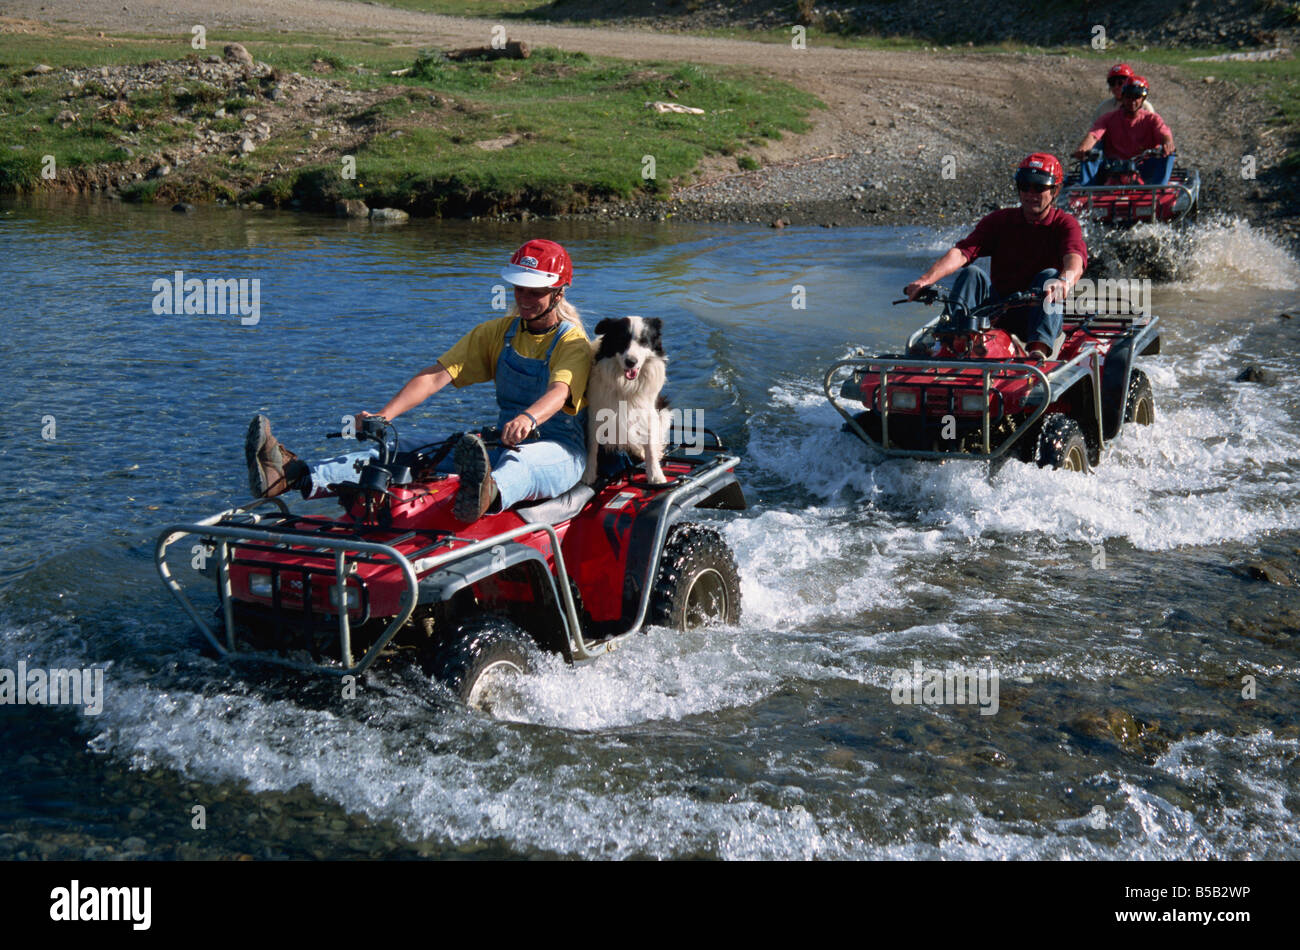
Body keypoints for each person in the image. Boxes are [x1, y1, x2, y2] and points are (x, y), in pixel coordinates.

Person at [245, 239, 592, 522]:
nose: (525, 299)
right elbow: (436, 376)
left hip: (559, 451)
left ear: (558, 292)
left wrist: (528, 418)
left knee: (520, 463)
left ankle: (484, 494)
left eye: (535, 292)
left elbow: (559, 391)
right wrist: (383, 416)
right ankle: (294, 474)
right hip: (502, 441)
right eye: (519, 289)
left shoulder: (572, 342)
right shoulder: (498, 333)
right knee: (408, 450)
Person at [903, 153, 1087, 359]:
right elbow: (961, 253)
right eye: (1024, 186)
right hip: (998, 309)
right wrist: (925, 280)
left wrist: (1064, 281)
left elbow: (1075, 260)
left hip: (1036, 312)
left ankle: (1038, 353)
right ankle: (950, 342)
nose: (1030, 193)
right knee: (972, 273)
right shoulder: (999, 220)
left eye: (1038, 187)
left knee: (1050, 276)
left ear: (1055, 190)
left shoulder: (1065, 224)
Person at [1074, 75, 1175, 187]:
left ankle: (1159, 188)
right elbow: (1094, 135)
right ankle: (1086, 189)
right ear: (1122, 97)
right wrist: (1083, 148)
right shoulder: (1108, 118)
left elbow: (1164, 133)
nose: (1132, 101)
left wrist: (1167, 143)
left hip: (1143, 166)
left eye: (1136, 97)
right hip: (1112, 167)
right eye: (1128, 96)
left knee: (1168, 154)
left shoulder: (1152, 119)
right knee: (1091, 154)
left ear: (1143, 99)